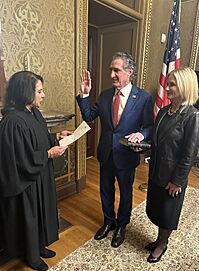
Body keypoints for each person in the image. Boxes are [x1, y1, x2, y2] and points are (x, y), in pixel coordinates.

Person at [76, 52, 153, 248]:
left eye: (116, 70)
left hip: (127, 155)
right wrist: (85, 94)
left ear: (129, 72)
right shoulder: (104, 95)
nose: (112, 75)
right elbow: (88, 117)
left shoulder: (143, 97)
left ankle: (122, 225)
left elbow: (149, 126)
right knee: (105, 190)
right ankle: (108, 221)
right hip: (106, 153)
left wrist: (142, 135)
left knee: (126, 193)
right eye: (111, 70)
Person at [0, 71, 71, 271]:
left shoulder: (35, 113)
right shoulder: (12, 122)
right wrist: (48, 155)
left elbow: (40, 140)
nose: (43, 95)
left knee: (42, 213)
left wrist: (57, 137)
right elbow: (19, 159)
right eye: (39, 91)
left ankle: (40, 246)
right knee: (30, 218)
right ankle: (31, 256)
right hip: (26, 182)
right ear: (25, 92)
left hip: (40, 176)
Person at [145, 67, 199, 263]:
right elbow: (156, 139)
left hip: (173, 177)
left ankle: (162, 244)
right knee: (157, 208)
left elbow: (189, 154)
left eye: (172, 84)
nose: (167, 88)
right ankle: (159, 238)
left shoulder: (192, 116)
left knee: (168, 213)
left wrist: (177, 181)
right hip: (157, 171)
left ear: (184, 86)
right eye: (167, 84)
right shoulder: (164, 111)